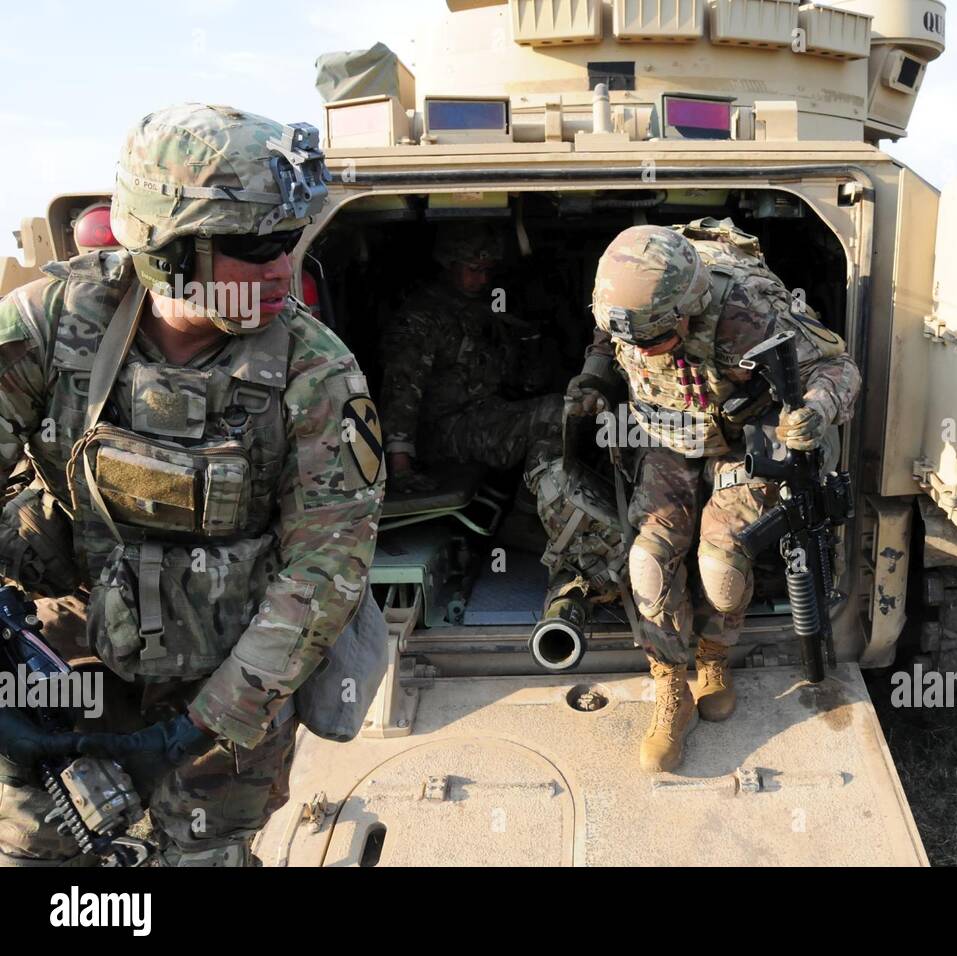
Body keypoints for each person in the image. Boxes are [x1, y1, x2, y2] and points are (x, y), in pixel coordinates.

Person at [0, 103, 384, 866]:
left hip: (230, 673)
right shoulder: (51, 325)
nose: (281, 268)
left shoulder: (317, 372)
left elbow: (326, 566)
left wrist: (199, 727)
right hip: (74, 648)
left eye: (287, 239)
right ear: (166, 249)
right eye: (250, 246)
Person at [566, 219, 861, 772]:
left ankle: (713, 657)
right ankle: (669, 689)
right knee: (649, 560)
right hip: (667, 434)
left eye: (656, 339)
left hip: (740, 437)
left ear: (688, 309)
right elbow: (609, 341)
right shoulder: (624, 305)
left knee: (720, 567)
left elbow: (838, 367)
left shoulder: (747, 306)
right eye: (636, 339)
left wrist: (814, 412)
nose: (644, 350)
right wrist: (593, 377)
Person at [378, 221, 562, 494]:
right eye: (474, 270)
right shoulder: (421, 318)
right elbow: (401, 390)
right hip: (446, 431)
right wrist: (400, 466)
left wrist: (529, 343)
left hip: (484, 414)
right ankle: (528, 514)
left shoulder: (479, 308)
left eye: (487, 271)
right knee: (557, 415)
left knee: (571, 409)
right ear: (449, 264)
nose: (483, 279)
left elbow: (510, 373)